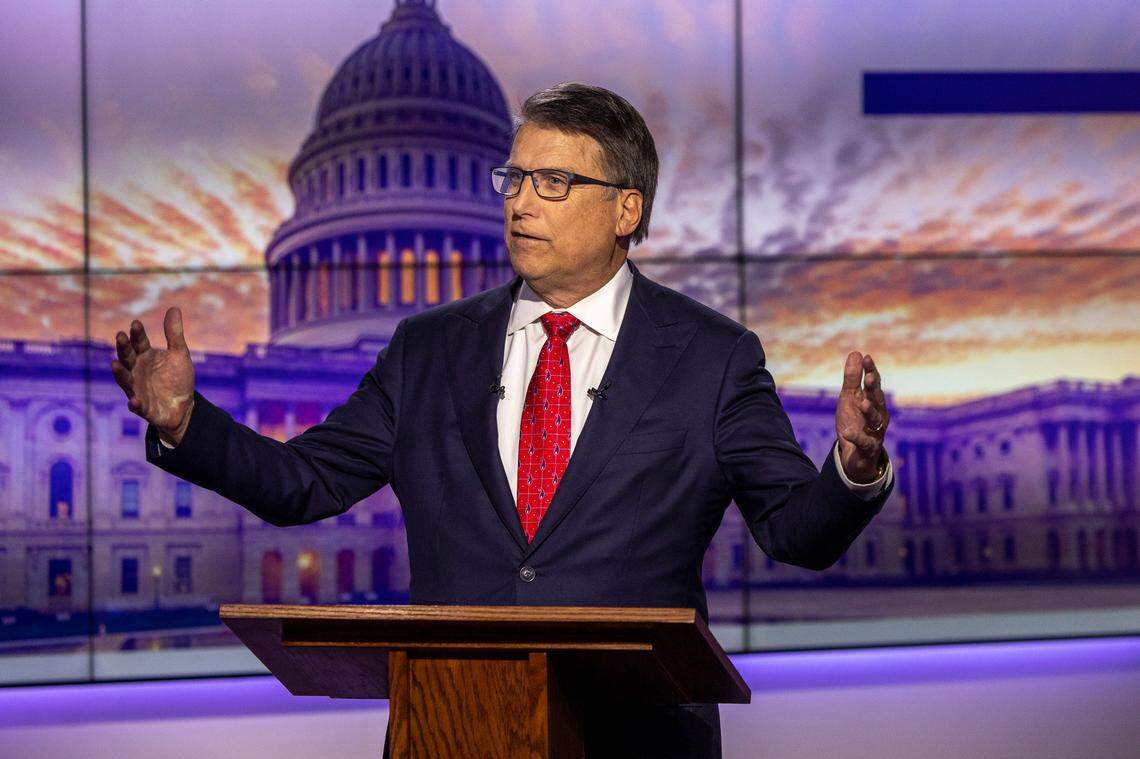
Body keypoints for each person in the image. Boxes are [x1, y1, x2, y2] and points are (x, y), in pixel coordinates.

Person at [110, 83, 893, 758]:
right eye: (514, 176)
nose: (519, 200)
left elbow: (796, 529)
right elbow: (301, 482)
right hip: (451, 726)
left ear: (627, 208)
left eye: (551, 181)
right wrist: (185, 421)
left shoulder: (712, 356)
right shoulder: (428, 348)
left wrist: (854, 468)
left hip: (642, 740)